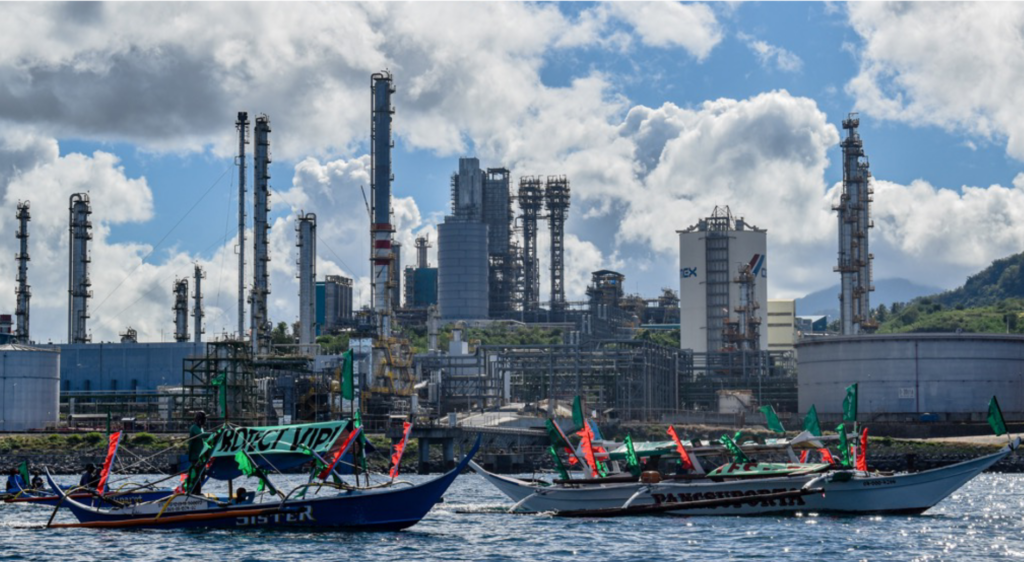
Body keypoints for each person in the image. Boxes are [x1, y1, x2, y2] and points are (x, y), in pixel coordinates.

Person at [187, 411, 208, 494]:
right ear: (200, 420)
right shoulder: (194, 428)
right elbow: (202, 435)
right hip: (195, 456)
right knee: (197, 475)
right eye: (204, 419)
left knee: (202, 475)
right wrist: (215, 433)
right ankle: (195, 493)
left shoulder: (201, 428)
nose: (205, 421)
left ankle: (196, 492)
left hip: (201, 456)